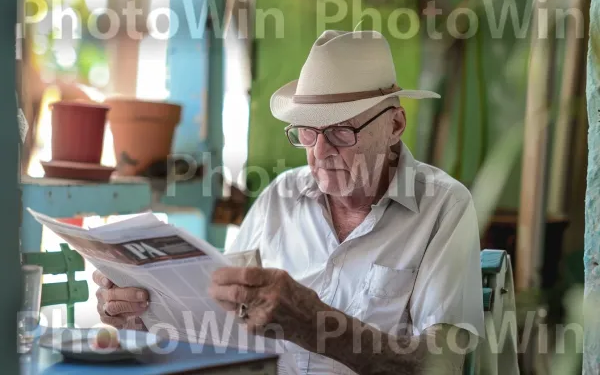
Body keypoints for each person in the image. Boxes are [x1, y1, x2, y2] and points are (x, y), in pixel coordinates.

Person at [94, 30, 484, 374]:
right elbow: (219, 326)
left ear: (395, 125)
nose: (321, 152)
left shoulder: (442, 206)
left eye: (341, 131)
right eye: (307, 133)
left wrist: (314, 323)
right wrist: (145, 319)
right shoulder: (279, 196)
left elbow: (441, 365)